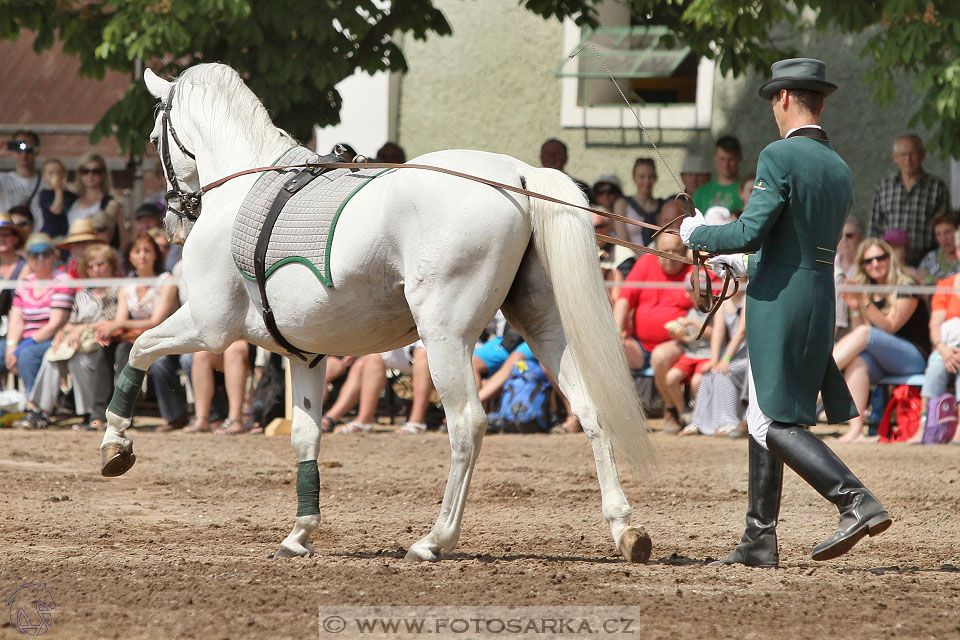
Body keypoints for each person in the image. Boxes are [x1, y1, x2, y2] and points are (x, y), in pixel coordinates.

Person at [681, 58, 891, 566]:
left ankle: (853, 499)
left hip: (782, 302)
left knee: (772, 420)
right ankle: (759, 538)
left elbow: (751, 229)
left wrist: (698, 235)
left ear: (783, 99)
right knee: (764, 410)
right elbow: (785, 243)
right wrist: (739, 259)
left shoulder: (778, 155)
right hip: (816, 294)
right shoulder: (838, 166)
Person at [832, 238, 929, 443]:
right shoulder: (866, 290)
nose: (875, 264)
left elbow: (889, 326)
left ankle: (819, 374)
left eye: (880, 258)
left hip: (914, 357)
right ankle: (856, 429)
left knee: (867, 334)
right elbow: (858, 336)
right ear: (863, 266)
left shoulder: (907, 285)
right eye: (868, 261)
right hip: (883, 360)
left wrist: (863, 301)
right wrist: (855, 307)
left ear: (889, 258)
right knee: (858, 361)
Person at [92, 232, 187, 431]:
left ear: (155, 255)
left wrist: (116, 325)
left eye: (147, 251)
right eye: (137, 251)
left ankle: (127, 413)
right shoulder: (128, 284)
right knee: (106, 349)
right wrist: (108, 328)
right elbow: (120, 319)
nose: (142, 255)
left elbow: (156, 321)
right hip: (135, 337)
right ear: (130, 257)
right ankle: (100, 414)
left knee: (133, 355)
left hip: (162, 337)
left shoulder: (166, 280)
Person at [21, 244, 120, 430]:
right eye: (91, 266)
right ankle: (39, 410)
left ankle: (89, 412)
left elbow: (112, 320)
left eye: (100, 264)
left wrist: (82, 329)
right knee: (53, 353)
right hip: (77, 340)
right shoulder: (83, 293)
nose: (96, 270)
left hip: (101, 342)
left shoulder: (117, 290)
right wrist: (61, 333)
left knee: (79, 360)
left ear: (111, 265)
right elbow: (72, 320)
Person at [613, 232, 695, 433]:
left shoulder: (693, 270)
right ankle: (616, 413)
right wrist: (616, 331)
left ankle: (670, 408)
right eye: (664, 251)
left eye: (676, 251)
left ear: (685, 252)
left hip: (677, 343)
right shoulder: (646, 263)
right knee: (610, 349)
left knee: (660, 356)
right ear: (656, 252)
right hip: (640, 344)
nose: (670, 256)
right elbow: (625, 298)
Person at [5, 234, 74, 402]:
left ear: (54, 255)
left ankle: (35, 407)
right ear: (28, 258)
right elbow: (16, 319)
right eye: (35, 255)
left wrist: (22, 347)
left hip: (53, 339)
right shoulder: (25, 282)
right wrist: (11, 346)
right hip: (24, 340)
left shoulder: (62, 280)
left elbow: (55, 323)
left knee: (28, 355)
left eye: (45, 253)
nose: (40, 259)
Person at [867, 134, 949, 266]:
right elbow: (874, 227)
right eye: (903, 155)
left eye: (912, 154)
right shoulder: (884, 187)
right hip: (890, 262)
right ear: (895, 157)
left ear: (922, 155)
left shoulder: (936, 187)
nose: (908, 160)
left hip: (927, 261)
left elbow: (945, 226)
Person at [322, 342, 435, 435]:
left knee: (423, 351)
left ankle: (417, 421)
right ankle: (364, 421)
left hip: (426, 341)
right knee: (374, 355)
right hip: (403, 340)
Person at [688, 276, 748, 436]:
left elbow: (741, 332)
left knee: (724, 373)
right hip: (731, 353)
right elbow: (719, 331)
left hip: (748, 355)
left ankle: (729, 421)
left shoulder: (748, 298)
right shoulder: (723, 301)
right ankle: (700, 422)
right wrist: (714, 359)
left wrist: (725, 360)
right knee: (708, 373)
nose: (728, 283)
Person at [910, 271, 960, 445]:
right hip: (946, 346)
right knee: (934, 370)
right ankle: (924, 427)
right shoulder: (945, 285)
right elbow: (935, 323)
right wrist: (942, 349)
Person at [182, 340, 252, 435]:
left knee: (234, 349)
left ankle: (235, 420)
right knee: (202, 354)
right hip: (229, 342)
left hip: (258, 345)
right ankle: (201, 419)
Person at [66, 153, 124, 249]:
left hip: (96, 254)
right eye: (85, 171)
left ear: (104, 174)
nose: (90, 175)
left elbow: (106, 235)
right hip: (71, 253)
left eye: (96, 171)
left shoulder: (111, 204)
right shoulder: (71, 201)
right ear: (79, 174)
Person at [0, 214, 30, 381]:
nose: (1, 239)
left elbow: (18, 307)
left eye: (6, 234)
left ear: (15, 238)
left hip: (16, 330)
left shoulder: (25, 266)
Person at [692, 136, 743, 214]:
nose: (726, 164)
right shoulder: (701, 192)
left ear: (739, 158)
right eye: (722, 159)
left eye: (731, 159)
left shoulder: (747, 190)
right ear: (715, 158)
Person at [0, 131, 43, 221]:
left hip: (37, 234)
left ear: (37, 151)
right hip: (8, 233)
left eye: (29, 150)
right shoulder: (2, 179)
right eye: (18, 149)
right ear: (12, 150)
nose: (24, 155)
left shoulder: (47, 181)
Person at [917, 212, 960, 284]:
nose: (943, 239)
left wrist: (932, 279)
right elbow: (919, 280)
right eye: (938, 234)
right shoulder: (931, 257)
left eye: (947, 232)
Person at [37, 159, 74, 239]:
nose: (56, 176)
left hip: (66, 234)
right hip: (50, 235)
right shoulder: (45, 194)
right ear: (43, 176)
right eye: (51, 173)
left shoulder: (69, 194)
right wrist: (58, 189)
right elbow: (57, 210)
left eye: (59, 172)